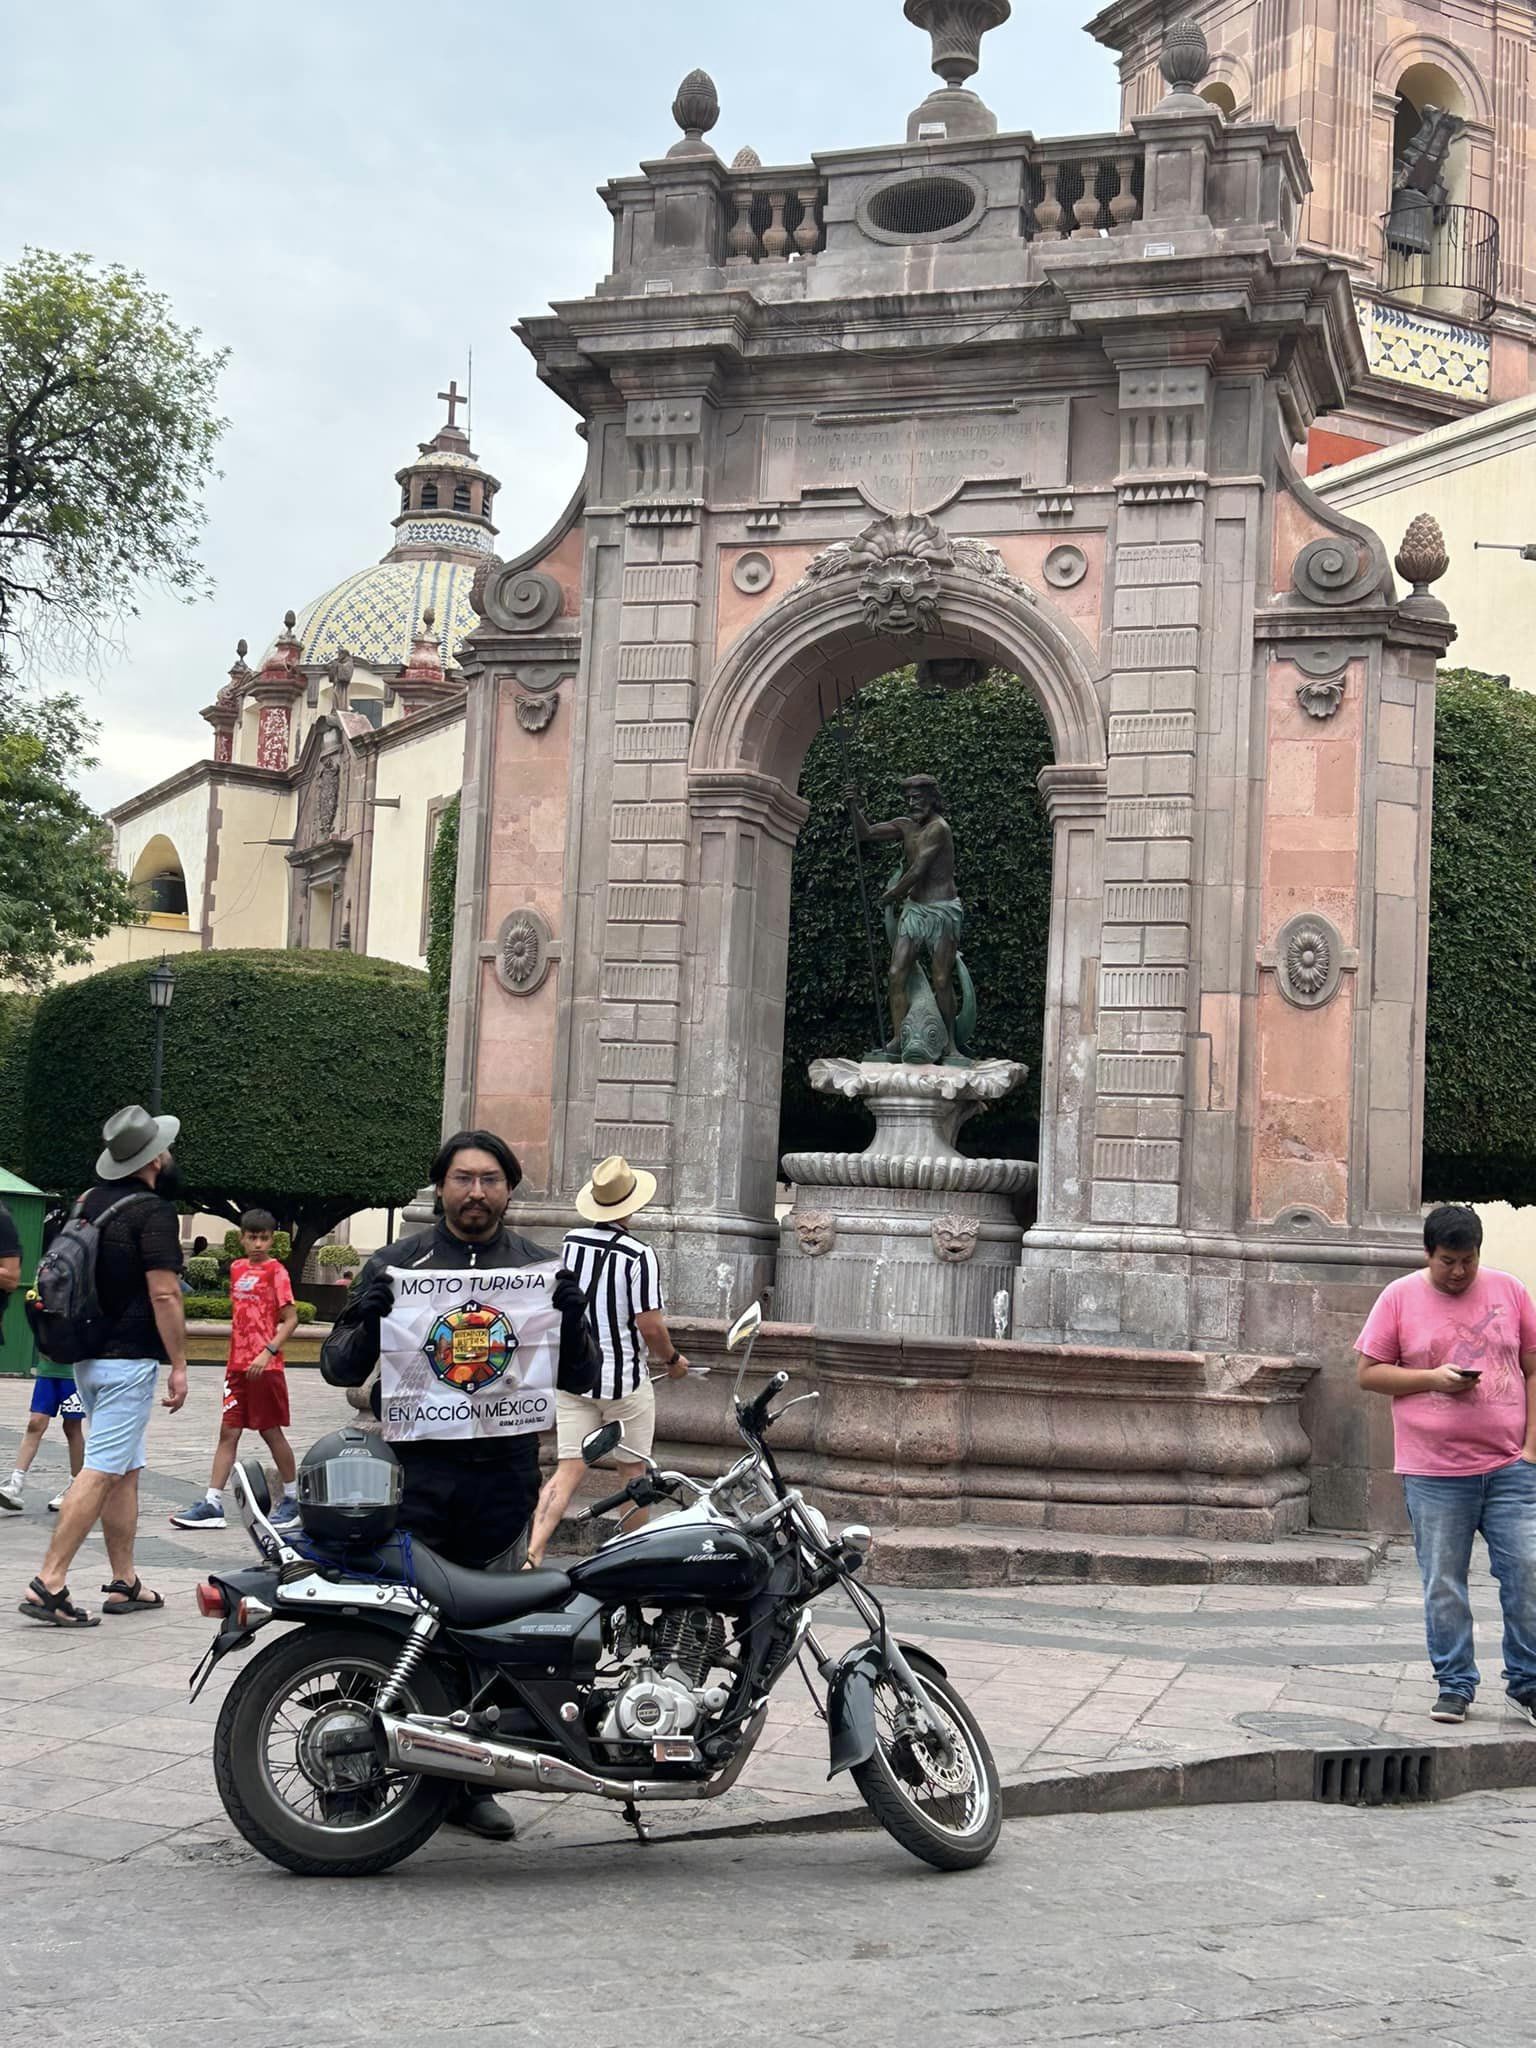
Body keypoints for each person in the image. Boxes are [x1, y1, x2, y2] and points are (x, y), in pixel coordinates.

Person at [321, 1128, 597, 1841]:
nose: (477, 1192)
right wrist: (367, 1313)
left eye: (491, 1180)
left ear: (510, 1190)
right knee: (382, 1627)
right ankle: (351, 1779)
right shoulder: (397, 1262)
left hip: (500, 1483)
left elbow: (582, 1379)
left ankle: (468, 1786)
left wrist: (573, 1317)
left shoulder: (539, 1271)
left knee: (484, 1640)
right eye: (463, 1179)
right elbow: (340, 1369)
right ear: (440, 1187)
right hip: (414, 1479)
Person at [1356, 1204, 1536, 1725]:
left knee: (1527, 1572)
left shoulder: (1510, 1291)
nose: (1459, 1272)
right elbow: (1369, 1374)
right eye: (1447, 1262)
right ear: (1427, 1254)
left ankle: (1526, 1685)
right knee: (1443, 1581)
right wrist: (1434, 1379)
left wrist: (1531, 1451)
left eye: (1468, 1261)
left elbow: (1532, 1368)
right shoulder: (1399, 1297)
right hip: (1434, 1472)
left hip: (1510, 1468)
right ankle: (1455, 1684)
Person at [17, 1104, 188, 1628]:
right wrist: (179, 1363)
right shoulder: (153, 1212)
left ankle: (124, 1581)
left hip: (86, 1357)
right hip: (128, 1362)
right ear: (155, 1159)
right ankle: (50, 1582)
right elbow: (164, 1295)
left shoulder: (89, 1201)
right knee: (101, 1468)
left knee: (126, 1468)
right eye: (166, 1146)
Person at [525, 1155, 688, 1568]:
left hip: (575, 1378)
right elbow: (650, 1325)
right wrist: (672, 1359)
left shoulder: (570, 1244)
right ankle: (629, 1563)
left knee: (566, 1472)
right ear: (631, 1205)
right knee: (634, 1476)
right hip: (625, 1383)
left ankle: (533, 1553)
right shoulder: (638, 1255)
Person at [170, 1208, 300, 1532]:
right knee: (228, 1431)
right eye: (252, 1237)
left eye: (264, 1237)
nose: (258, 1243)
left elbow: (291, 1318)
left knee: (271, 1432)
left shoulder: (277, 1272)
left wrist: (267, 1353)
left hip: (265, 1368)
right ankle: (213, 1503)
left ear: (272, 1240)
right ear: (241, 1238)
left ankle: (293, 1498)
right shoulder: (237, 1268)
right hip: (237, 1367)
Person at [845, 774, 964, 1057]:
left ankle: (950, 1045)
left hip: (942, 911)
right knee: (896, 972)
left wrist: (892, 894)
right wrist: (854, 808)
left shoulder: (939, 829)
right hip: (914, 910)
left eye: (918, 798)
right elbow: (867, 833)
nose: (912, 803)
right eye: (909, 798)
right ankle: (899, 1038)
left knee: (942, 979)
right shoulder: (905, 825)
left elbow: (917, 870)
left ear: (932, 799)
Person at [0, 1372, 86, 1515]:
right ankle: (14, 1485)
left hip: (74, 1373)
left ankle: (75, 1487)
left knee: (72, 1427)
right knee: (35, 1423)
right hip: (48, 1371)